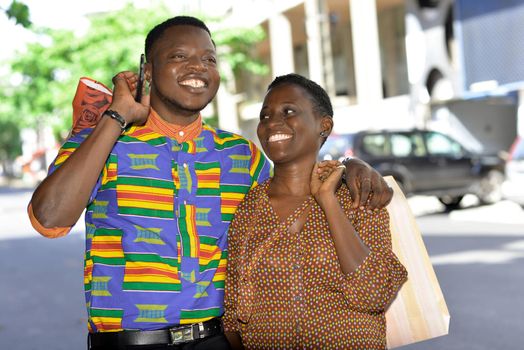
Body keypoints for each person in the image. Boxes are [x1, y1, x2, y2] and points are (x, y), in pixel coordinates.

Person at [28, 16, 393, 350]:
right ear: (148, 69)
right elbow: (48, 219)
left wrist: (350, 165)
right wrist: (118, 116)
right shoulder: (102, 141)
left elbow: (297, 189)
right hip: (131, 343)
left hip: (217, 341)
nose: (198, 67)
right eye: (180, 56)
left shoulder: (240, 154)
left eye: (210, 59)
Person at [223, 73, 408, 349]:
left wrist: (327, 200)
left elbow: (374, 293)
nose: (273, 122)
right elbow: (232, 316)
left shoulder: (357, 196)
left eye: (289, 111)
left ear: (324, 125)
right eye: (265, 115)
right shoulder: (250, 207)